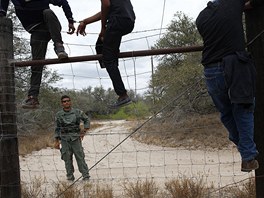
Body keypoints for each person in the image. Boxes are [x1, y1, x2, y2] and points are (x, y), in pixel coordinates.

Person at [196, 0, 262, 172]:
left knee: (226, 113)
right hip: (235, 66)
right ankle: (247, 156)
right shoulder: (233, 3)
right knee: (243, 108)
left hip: (210, 70)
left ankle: (242, 146)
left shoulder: (201, 17)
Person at [0, 0, 75, 109]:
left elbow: (63, 1)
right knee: (36, 65)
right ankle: (33, 97)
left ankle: (59, 47)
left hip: (51, 26)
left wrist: (70, 20)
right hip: (36, 31)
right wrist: (2, 14)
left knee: (48, 12)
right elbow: (3, 5)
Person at [76, 0, 136, 108]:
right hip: (128, 21)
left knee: (107, 57)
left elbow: (106, 5)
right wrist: (86, 21)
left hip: (117, 20)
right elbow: (106, 10)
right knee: (103, 46)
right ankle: (112, 62)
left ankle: (122, 95)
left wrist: (103, 28)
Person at [54, 95, 90, 181]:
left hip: (75, 138)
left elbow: (86, 119)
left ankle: (85, 175)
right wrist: (56, 140)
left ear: (70, 102)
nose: (66, 102)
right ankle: (70, 177)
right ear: (61, 103)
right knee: (67, 158)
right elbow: (57, 127)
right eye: (64, 101)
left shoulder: (77, 112)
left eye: (67, 101)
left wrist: (84, 131)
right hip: (64, 139)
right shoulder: (59, 114)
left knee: (80, 157)